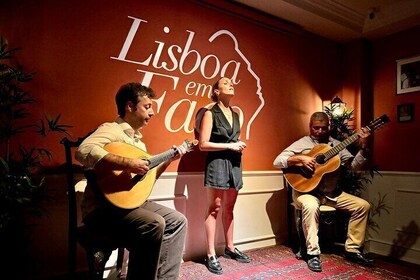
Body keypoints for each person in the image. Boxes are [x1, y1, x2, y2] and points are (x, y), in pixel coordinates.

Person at [75, 83, 187, 280]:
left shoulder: (139, 143)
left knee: (178, 221)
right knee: (154, 223)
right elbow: (83, 150)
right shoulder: (112, 129)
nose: (152, 112)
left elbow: (143, 184)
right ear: (129, 106)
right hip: (103, 209)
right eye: (147, 106)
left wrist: (168, 160)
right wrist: (127, 163)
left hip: (128, 205)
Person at [273, 111, 374, 272]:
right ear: (310, 127)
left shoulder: (337, 145)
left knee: (363, 206)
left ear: (329, 127)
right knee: (311, 206)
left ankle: (352, 250)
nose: (319, 131)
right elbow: (277, 161)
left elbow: (354, 166)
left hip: (331, 194)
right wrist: (300, 159)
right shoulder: (302, 143)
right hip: (305, 193)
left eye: (323, 128)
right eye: (316, 128)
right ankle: (312, 254)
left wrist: (363, 146)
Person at [196, 77, 250, 275]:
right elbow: (203, 144)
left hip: (235, 163)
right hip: (217, 163)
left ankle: (230, 248)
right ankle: (210, 254)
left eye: (231, 82)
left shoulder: (236, 114)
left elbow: (232, 138)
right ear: (216, 91)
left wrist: (236, 144)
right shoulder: (210, 113)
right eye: (225, 83)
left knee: (229, 208)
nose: (231, 83)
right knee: (214, 208)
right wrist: (230, 145)